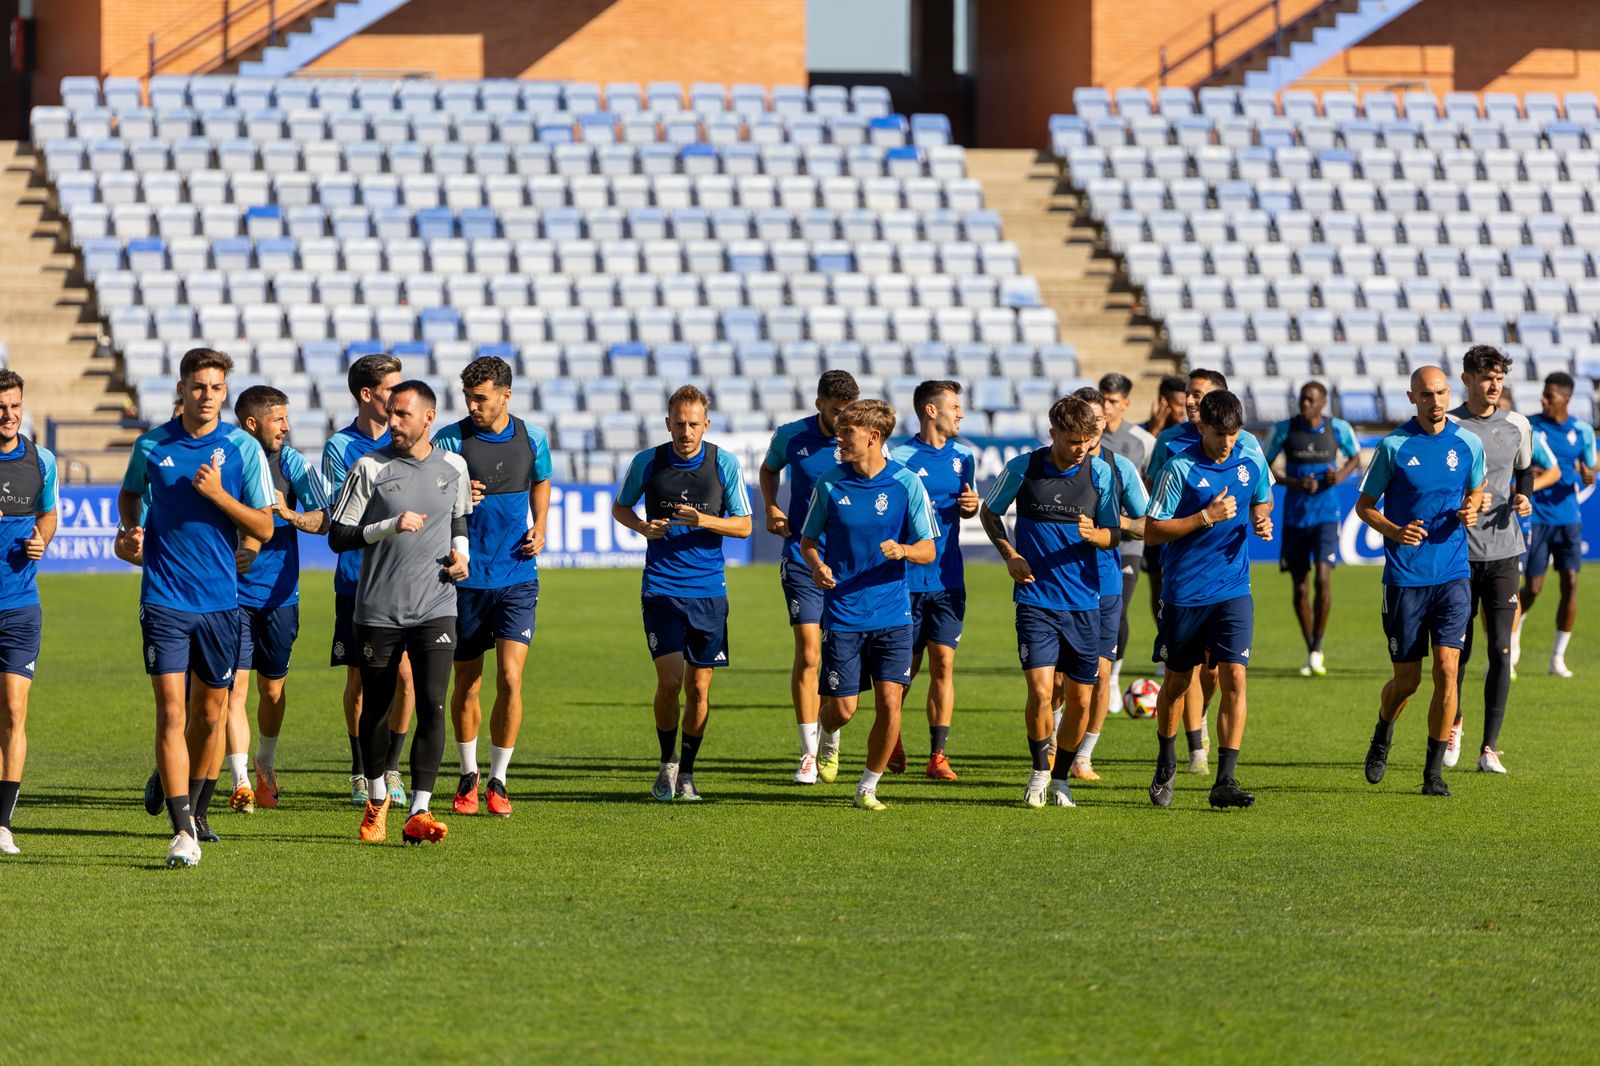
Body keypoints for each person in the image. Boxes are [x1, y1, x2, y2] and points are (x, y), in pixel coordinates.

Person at [116, 348, 275, 867]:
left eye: (216, 387)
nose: (207, 396)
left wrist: (217, 495)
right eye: (198, 386)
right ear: (182, 389)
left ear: (225, 392)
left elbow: (265, 527)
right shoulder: (152, 445)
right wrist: (130, 533)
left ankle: (188, 799)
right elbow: (129, 495)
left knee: (210, 717)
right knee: (171, 711)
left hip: (221, 604)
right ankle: (183, 828)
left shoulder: (242, 448)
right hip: (163, 599)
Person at [328, 380, 471, 845]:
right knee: (377, 707)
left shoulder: (454, 466)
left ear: (428, 418)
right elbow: (338, 536)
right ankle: (375, 800)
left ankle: (420, 811)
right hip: (378, 609)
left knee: (431, 703)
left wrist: (461, 554)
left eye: (403, 415)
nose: (393, 423)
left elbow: (458, 517)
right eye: (390, 414)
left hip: (436, 604)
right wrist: (390, 525)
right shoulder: (369, 467)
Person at [612, 385, 752, 802]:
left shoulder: (723, 462)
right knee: (670, 681)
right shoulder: (648, 462)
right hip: (661, 588)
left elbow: (744, 525)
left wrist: (703, 520)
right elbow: (621, 507)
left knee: (700, 689)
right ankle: (667, 764)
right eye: (679, 424)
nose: (686, 431)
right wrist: (642, 527)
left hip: (708, 591)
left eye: (694, 424)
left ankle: (688, 773)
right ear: (668, 423)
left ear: (706, 424)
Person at [980, 396, 1120, 809]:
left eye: (1088, 440)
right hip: (1036, 600)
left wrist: (1097, 536)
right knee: (1041, 693)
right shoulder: (1024, 468)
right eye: (1074, 440)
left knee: (1079, 699)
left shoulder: (1101, 474)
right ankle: (1040, 772)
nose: (1081, 448)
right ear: (1054, 433)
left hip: (1083, 604)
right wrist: (1010, 555)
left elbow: (1114, 532)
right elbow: (990, 513)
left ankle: (1061, 779)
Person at [801, 399, 937, 811]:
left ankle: (867, 787)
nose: (838, 439)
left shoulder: (907, 483)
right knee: (842, 709)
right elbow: (808, 541)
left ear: (873, 437)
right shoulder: (829, 483)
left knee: (891, 703)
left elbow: (929, 549)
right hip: (843, 611)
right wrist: (817, 566)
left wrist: (904, 550)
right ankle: (829, 736)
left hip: (894, 613)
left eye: (846, 433)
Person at [1357, 366, 1486, 798]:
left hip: (1453, 574)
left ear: (1451, 393)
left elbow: (1477, 488)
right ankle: (1384, 728)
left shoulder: (1468, 442)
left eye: (1442, 392)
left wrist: (1472, 507)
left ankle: (1433, 774)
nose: (1436, 401)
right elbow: (1365, 506)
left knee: (1448, 672)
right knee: (1407, 683)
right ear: (1412, 398)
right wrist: (1394, 531)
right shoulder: (1394, 445)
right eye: (1426, 395)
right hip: (1406, 579)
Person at [433, 356, 552, 818]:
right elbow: (430, 492)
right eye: (468, 398)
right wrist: (458, 496)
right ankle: (467, 773)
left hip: (517, 576)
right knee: (467, 682)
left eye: (480, 397)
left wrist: (540, 525)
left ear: (506, 396)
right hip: (463, 580)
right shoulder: (449, 438)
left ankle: (499, 778)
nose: (473, 405)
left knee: (511, 677)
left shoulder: (532, 437)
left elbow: (542, 481)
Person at [1142, 389, 1272, 809]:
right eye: (1219, 434)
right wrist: (1203, 518)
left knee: (1235, 676)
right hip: (1184, 593)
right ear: (1201, 427)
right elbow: (1153, 528)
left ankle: (1225, 781)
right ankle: (1166, 759)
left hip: (1234, 589)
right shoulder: (1179, 468)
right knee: (1178, 682)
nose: (1227, 442)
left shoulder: (1250, 462)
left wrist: (1261, 517)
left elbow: (1262, 498)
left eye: (1233, 434)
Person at [1446, 347, 1558, 774]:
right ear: (1467, 380)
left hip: (1504, 551)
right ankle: (1453, 723)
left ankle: (1489, 747)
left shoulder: (1517, 425)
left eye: (1499, 378)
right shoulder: (1450, 426)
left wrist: (1524, 495)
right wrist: (1463, 502)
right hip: (1457, 552)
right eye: (1486, 378)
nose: (1495, 385)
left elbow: (1526, 469)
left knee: (1501, 648)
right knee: (1458, 652)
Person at [224, 386, 329, 812]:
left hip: (280, 596)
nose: (286, 426)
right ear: (253, 423)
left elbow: (326, 521)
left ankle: (264, 761)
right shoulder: (223, 458)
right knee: (235, 690)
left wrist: (289, 515)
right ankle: (241, 781)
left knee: (271, 692)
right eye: (279, 419)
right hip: (230, 596)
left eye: (286, 418)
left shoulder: (292, 463)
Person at [758, 370, 861, 784]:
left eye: (848, 413)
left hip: (851, 566)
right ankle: (807, 752)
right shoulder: (791, 437)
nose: (842, 421)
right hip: (801, 556)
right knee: (809, 650)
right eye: (836, 412)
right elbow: (769, 471)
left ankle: (831, 736)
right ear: (819, 403)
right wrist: (771, 506)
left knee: (841, 654)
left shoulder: (861, 439)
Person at [323, 354, 415, 808]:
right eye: (390, 389)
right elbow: (345, 516)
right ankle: (360, 769)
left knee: (407, 677)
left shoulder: (413, 440)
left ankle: (392, 767)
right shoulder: (341, 448)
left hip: (408, 579)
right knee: (360, 680)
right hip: (358, 582)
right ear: (366, 394)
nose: (399, 397)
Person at [888, 380, 979, 780]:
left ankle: (938, 756)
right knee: (903, 671)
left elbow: (966, 508)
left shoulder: (964, 457)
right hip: (906, 580)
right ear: (931, 411)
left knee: (944, 663)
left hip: (948, 579)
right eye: (955, 407)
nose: (960, 414)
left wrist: (971, 506)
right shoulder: (900, 455)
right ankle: (890, 738)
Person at [1061, 386, 1148, 783]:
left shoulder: (1120, 467)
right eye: (1087, 420)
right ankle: (1052, 746)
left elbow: (1147, 522)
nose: (1095, 426)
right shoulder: (1049, 465)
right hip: (1057, 583)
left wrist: (1113, 529)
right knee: (1059, 679)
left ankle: (1083, 756)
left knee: (1098, 672)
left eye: (1099, 419)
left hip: (1105, 581)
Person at [1261, 381, 1362, 677]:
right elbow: (1264, 466)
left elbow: (1355, 457)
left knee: (1323, 577)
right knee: (1300, 586)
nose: (1304, 405)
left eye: (1310, 400)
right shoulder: (1283, 429)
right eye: (1302, 400)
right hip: (1294, 517)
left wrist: (1339, 475)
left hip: (1327, 515)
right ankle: (1310, 648)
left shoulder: (1338, 428)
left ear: (1322, 403)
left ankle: (1317, 646)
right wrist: (1293, 483)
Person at [0, 371, 58, 855]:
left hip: (20, 608)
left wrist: (43, 537)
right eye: (0, 406)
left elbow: (49, 512)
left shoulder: (41, 460)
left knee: (14, 712)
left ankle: (2, 823)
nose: (8, 414)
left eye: (15, 405)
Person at [1517, 372, 1597, 678]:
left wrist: (1588, 473)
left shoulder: (1583, 431)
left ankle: (1557, 658)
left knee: (1571, 584)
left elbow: (1589, 465)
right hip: (1536, 516)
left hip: (1568, 518)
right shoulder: (1529, 426)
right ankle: (1513, 631)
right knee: (1534, 587)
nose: (1543, 400)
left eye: (1549, 396)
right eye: (1543, 394)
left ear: (1566, 398)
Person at [1097, 372, 1155, 695]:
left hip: (1131, 540)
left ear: (1126, 403)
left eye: (1113, 401)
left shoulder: (1142, 441)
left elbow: (1155, 480)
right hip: (1096, 540)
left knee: (1118, 608)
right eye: (1103, 398)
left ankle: (1114, 676)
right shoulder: (1090, 435)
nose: (1106, 406)